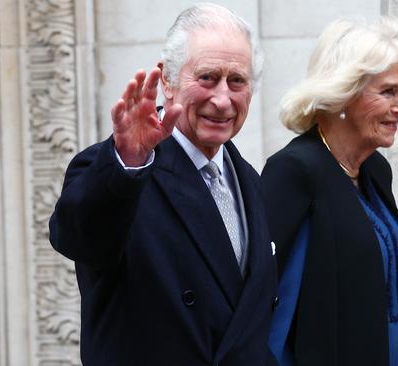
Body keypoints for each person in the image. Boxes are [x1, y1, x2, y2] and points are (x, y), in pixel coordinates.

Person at [49, 3, 278, 365]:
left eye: (237, 81)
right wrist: (129, 162)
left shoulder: (249, 180)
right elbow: (76, 238)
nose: (222, 100)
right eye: (207, 78)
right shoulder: (120, 168)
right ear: (167, 81)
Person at [262, 16, 398, 366]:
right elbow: (271, 302)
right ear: (344, 93)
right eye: (388, 92)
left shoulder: (375, 170)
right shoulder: (295, 170)